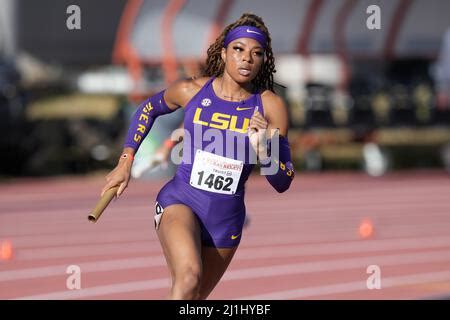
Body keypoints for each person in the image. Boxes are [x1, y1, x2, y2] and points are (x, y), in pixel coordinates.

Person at [101, 13, 295, 300]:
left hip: (225, 218)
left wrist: (265, 149)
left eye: (256, 53)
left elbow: (283, 181)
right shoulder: (191, 89)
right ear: (224, 52)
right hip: (181, 200)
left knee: (193, 299)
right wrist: (125, 162)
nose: (246, 59)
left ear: (264, 60)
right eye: (239, 50)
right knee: (188, 278)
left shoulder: (270, 107)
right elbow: (147, 109)